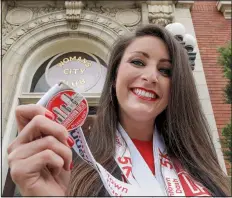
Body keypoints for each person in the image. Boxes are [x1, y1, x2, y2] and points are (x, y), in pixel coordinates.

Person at [7, 24, 230, 196]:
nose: (151, 77)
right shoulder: (71, 161)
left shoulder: (200, 164)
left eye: (165, 71)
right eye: (138, 62)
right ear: (113, 77)